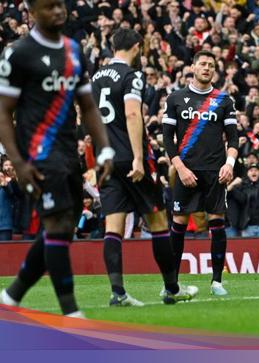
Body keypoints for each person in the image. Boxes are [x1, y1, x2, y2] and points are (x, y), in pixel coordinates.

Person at [0, 0, 114, 317]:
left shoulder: (73, 50)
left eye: (60, 5)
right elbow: (2, 111)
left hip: (67, 152)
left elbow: (88, 105)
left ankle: (12, 296)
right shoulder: (18, 53)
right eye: (49, 7)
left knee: (62, 230)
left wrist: (104, 149)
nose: (58, 11)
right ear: (32, 14)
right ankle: (70, 312)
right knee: (58, 223)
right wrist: (18, 162)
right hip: (36, 154)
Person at [91, 28, 196, 306]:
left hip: (105, 159)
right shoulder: (131, 76)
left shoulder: (96, 77)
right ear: (137, 46)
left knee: (113, 226)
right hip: (130, 157)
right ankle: (172, 288)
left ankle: (118, 292)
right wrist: (139, 157)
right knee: (158, 221)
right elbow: (132, 112)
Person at [162, 50, 239, 296]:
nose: (207, 68)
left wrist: (229, 164)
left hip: (216, 172)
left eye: (211, 65)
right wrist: (180, 168)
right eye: (203, 64)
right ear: (193, 67)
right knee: (179, 223)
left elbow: (234, 138)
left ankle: (217, 281)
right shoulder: (175, 98)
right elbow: (167, 139)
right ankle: (171, 284)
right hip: (186, 172)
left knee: (217, 223)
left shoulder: (224, 100)